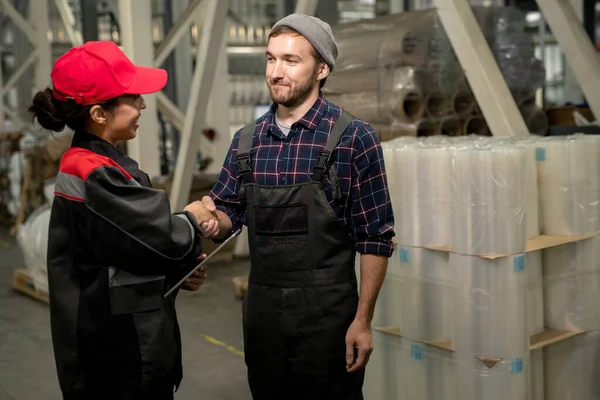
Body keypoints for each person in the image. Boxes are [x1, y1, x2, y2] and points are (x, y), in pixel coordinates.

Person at [197, 13, 395, 399]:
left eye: (291, 61)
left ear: (321, 69)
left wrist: (363, 320)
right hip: (263, 316)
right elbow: (227, 214)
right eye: (271, 59)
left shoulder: (353, 139)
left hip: (328, 319)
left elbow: (375, 237)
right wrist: (207, 219)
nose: (276, 72)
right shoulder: (247, 141)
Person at [27, 40, 218, 400]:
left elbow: (120, 247)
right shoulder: (93, 171)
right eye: (132, 98)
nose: (142, 104)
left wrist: (176, 271)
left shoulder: (99, 163)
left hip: (117, 335)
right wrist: (192, 220)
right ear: (99, 114)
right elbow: (157, 237)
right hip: (116, 351)